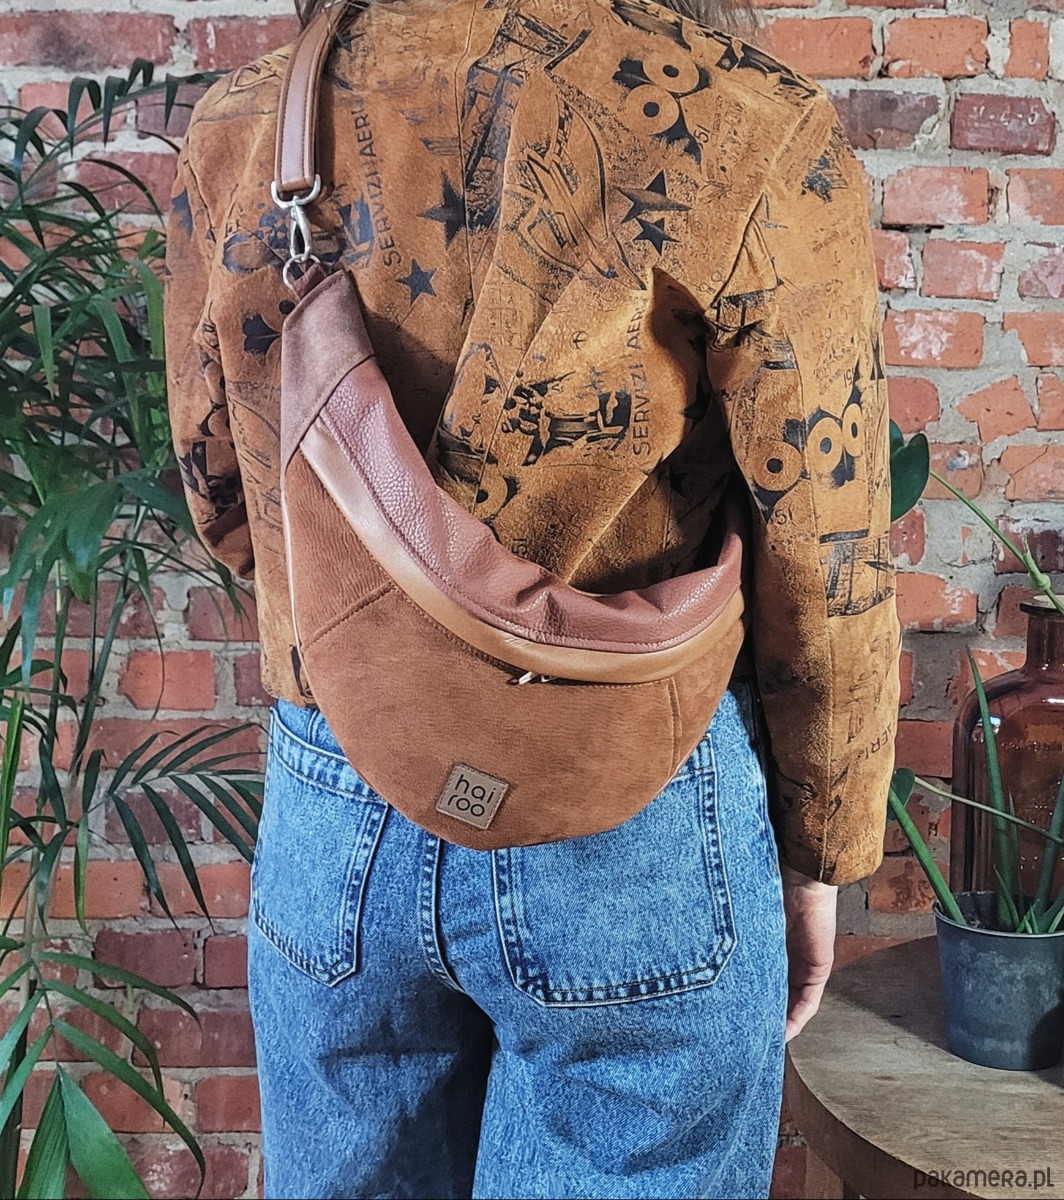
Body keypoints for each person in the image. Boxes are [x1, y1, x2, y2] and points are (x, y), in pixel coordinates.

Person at [163, 0, 901, 1195]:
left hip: (339, 785)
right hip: (629, 788)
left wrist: (381, 631)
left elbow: (217, 488)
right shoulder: (749, 119)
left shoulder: (248, 119)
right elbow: (825, 550)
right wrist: (818, 852)